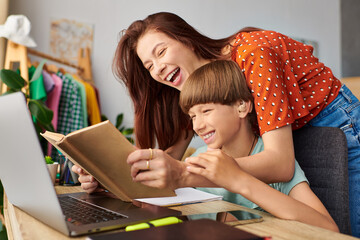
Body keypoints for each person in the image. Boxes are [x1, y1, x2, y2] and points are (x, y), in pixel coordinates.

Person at [73, 12, 360, 236]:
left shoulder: (251, 54)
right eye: (149, 66)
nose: (157, 68)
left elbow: (281, 164)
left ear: (186, 39)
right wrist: (109, 178)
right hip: (289, 133)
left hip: (337, 122)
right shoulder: (197, 89)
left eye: (160, 52)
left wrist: (186, 173)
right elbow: (167, 162)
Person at [179, 59, 338, 232]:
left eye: (206, 111)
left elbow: (328, 228)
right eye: (192, 116)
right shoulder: (196, 160)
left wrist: (238, 179)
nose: (197, 126)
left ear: (241, 107)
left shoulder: (273, 162)